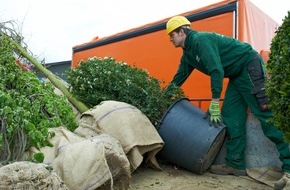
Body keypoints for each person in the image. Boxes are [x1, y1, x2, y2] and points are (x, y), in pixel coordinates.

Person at [165, 15, 290, 189]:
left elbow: (216, 70)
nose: (170, 38)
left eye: (172, 34)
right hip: (236, 75)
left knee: (266, 115)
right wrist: (163, 96)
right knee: (231, 116)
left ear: (182, 31)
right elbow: (179, 77)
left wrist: (214, 101)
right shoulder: (188, 55)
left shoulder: (201, 40)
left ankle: (289, 169)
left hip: (248, 65)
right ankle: (235, 163)